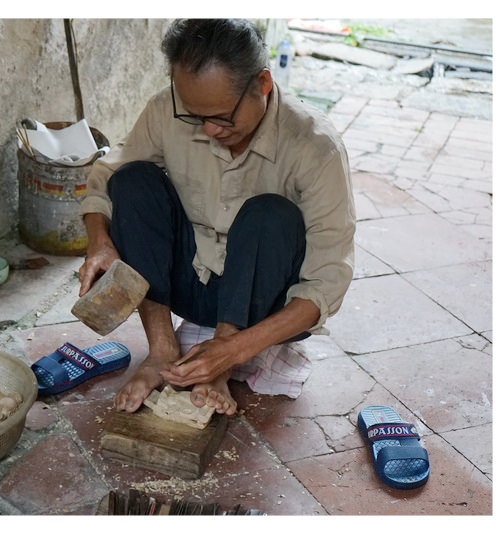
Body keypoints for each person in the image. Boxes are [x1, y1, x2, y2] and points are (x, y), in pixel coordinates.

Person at [78, 19, 355, 416]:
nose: (208, 130)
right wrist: (99, 242)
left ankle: (219, 365)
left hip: (265, 301)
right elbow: (104, 176)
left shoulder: (315, 146)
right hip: (190, 284)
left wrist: (232, 350)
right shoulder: (167, 108)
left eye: (222, 117)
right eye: (194, 115)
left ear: (262, 83)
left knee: (269, 214)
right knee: (132, 181)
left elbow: (328, 284)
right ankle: (161, 352)